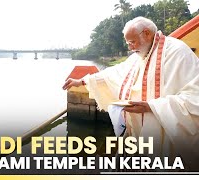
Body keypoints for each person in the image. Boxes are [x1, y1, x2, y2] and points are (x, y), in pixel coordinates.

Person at [62, 16, 199, 170]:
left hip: (163, 134)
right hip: (134, 128)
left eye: (132, 42)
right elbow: (114, 73)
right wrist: (82, 81)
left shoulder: (177, 52)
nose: (131, 48)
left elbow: (195, 97)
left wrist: (151, 107)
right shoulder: (139, 56)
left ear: (146, 33)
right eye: (128, 43)